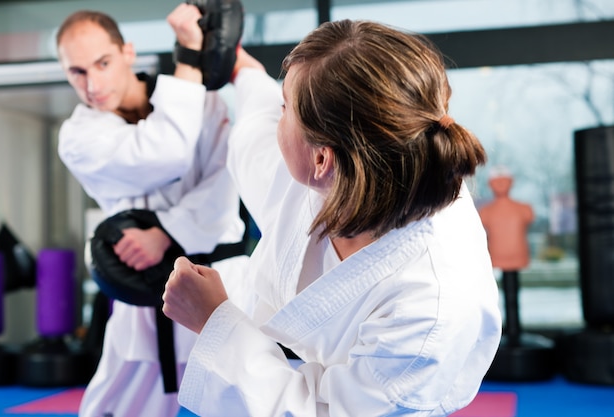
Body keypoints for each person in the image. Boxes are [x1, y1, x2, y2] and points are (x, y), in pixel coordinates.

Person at [163, 19, 503, 417]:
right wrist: (239, 64)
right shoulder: (340, 173)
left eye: (285, 108)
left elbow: (324, 412)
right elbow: (253, 132)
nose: (278, 116)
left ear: (323, 157)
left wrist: (214, 321)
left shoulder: (431, 301)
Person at [56, 5, 247, 417]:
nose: (92, 84)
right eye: (77, 72)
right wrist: (189, 57)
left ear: (127, 52)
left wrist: (163, 232)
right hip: (144, 296)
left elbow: (224, 185)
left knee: (253, 397)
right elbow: (167, 154)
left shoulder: (206, 103)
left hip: (221, 284)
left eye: (102, 63)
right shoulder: (78, 136)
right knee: (112, 408)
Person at [478, 168, 535, 271]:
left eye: (504, 179)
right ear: (490, 184)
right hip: (496, 258)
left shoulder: (525, 209)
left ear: (511, 182)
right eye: (496, 181)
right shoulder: (484, 212)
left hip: (519, 256)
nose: (500, 183)